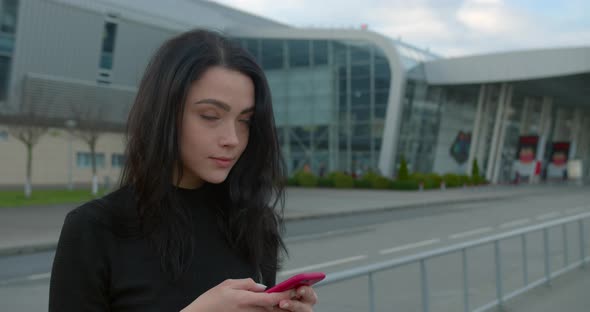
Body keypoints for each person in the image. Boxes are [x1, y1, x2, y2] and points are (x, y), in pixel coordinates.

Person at [49, 29, 318, 312]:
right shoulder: (94, 229)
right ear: (164, 113)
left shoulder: (254, 222)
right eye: (210, 116)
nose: (233, 139)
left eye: (245, 121)